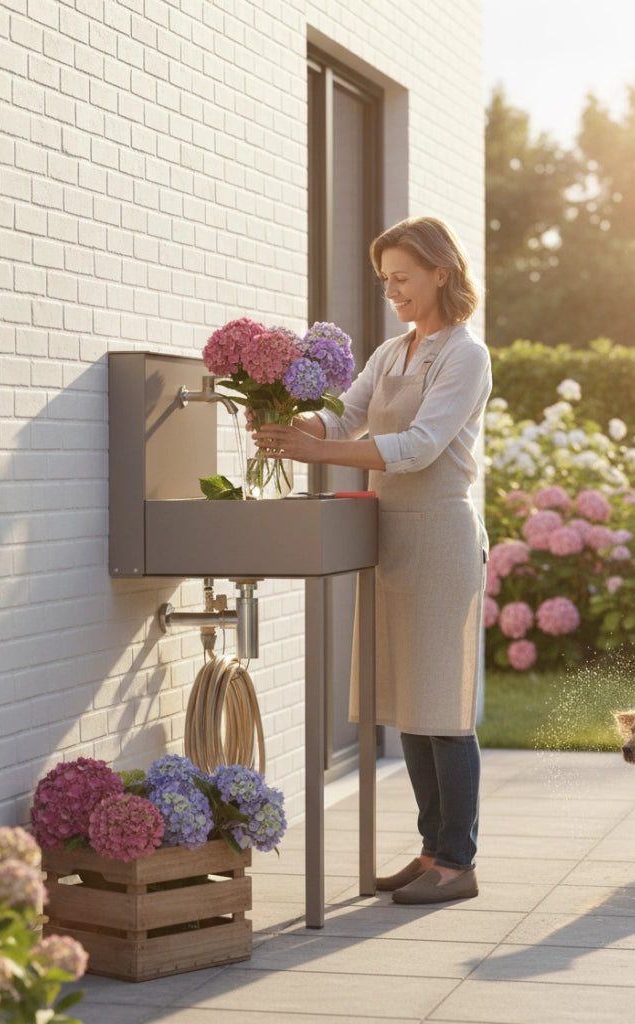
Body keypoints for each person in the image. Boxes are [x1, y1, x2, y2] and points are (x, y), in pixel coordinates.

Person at [253, 216, 491, 904]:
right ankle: (431, 850)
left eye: (403, 278)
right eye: (386, 280)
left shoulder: (464, 355)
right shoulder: (394, 351)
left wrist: (320, 455)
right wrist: (286, 422)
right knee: (406, 701)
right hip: (389, 534)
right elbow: (343, 420)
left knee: (442, 702)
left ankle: (459, 862)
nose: (392, 291)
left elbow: (418, 446)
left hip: (441, 538)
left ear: (440, 272)